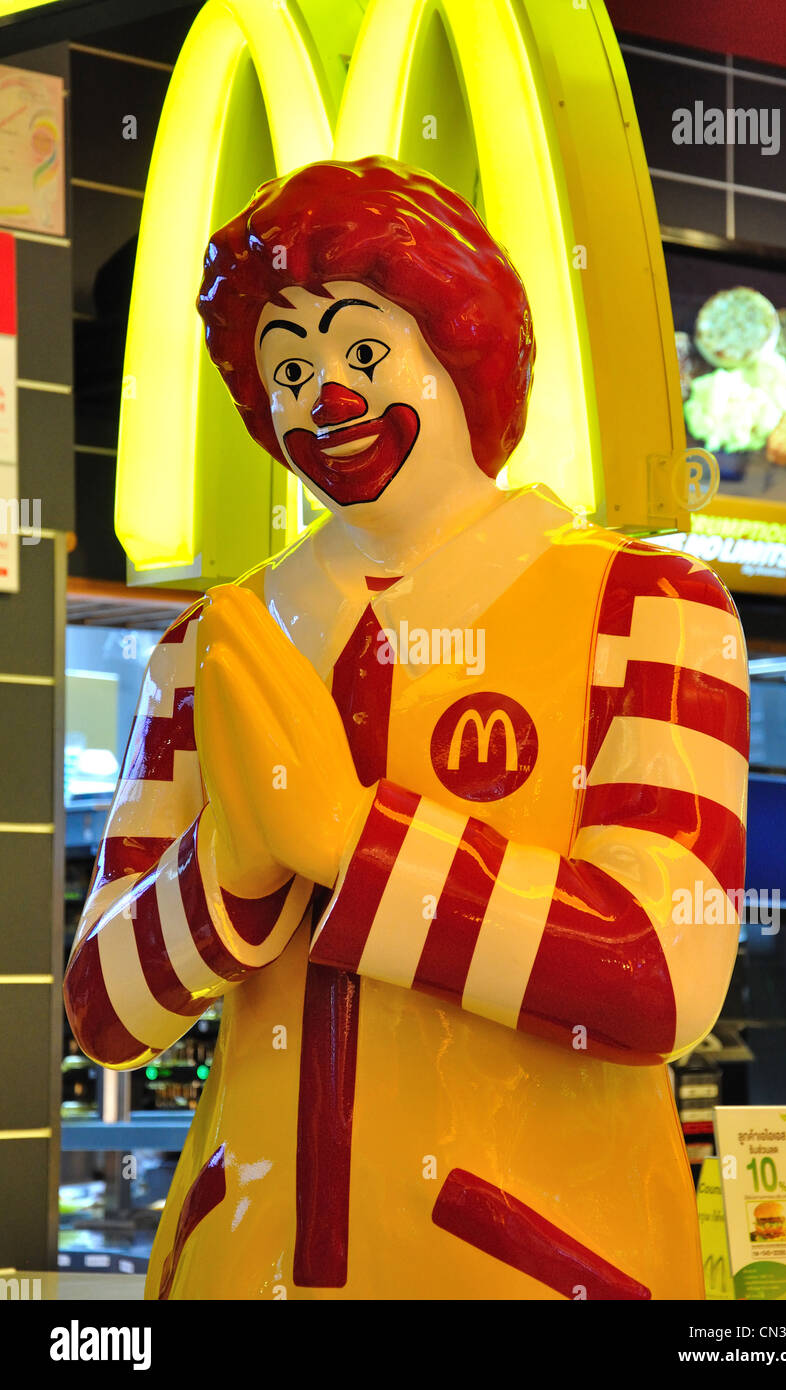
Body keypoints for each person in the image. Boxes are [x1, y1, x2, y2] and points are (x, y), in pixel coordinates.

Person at [64, 156, 749, 1300]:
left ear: (460, 347)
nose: (321, 397)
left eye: (362, 351)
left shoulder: (649, 610)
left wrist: (349, 842)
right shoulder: (207, 645)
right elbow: (103, 1008)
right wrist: (226, 873)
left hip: (542, 1267)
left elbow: (658, 974)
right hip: (241, 1268)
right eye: (286, 367)